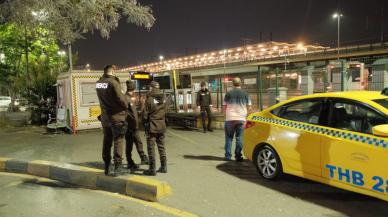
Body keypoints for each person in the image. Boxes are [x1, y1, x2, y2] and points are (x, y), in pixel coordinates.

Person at [96, 65, 128, 176]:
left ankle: (107, 166)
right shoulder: (114, 83)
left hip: (105, 117)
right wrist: (126, 104)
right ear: (113, 71)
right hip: (116, 117)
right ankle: (118, 167)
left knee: (107, 140)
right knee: (118, 140)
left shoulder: (99, 83)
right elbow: (121, 99)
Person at [223, 77, 252, 162]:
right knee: (239, 138)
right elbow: (249, 107)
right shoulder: (245, 94)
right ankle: (238, 156)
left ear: (233, 84)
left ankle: (228, 156)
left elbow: (224, 107)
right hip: (241, 119)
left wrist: (227, 115)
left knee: (228, 138)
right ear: (241, 83)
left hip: (229, 119)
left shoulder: (228, 94)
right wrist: (247, 116)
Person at [142, 81, 167, 176]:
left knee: (151, 147)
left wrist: (144, 122)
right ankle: (164, 167)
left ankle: (152, 169)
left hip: (152, 126)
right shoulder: (164, 98)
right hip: (161, 125)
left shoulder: (149, 99)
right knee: (161, 147)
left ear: (152, 88)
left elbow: (145, 115)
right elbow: (166, 110)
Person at [125, 80, 149, 172]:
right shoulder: (126, 98)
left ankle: (142, 157)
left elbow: (134, 111)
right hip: (129, 125)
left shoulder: (132, 97)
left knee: (138, 142)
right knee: (129, 144)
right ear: (133, 88)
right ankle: (129, 162)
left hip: (134, 125)